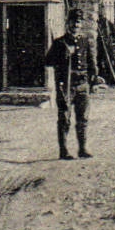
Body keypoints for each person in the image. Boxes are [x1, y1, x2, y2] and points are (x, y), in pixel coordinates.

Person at [43, 9, 96, 160]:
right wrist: (64, 55)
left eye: (78, 22)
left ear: (81, 24)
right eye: (73, 22)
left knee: (83, 118)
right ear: (68, 24)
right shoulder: (60, 43)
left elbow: (91, 62)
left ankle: (82, 149)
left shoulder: (85, 41)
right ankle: (64, 150)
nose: (75, 25)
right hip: (66, 85)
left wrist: (93, 80)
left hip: (82, 85)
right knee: (65, 118)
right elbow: (48, 62)